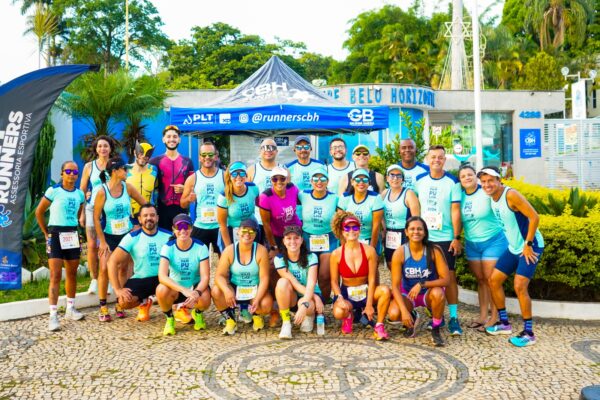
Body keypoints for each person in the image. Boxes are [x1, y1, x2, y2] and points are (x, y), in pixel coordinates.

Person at [479, 166, 545, 347]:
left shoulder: (511, 195)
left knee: (519, 286)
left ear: (499, 180)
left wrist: (528, 244)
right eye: (483, 181)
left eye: (490, 180)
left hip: (530, 246)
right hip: (514, 248)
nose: (487, 184)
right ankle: (504, 323)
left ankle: (529, 333)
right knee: (494, 280)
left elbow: (534, 217)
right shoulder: (492, 198)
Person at [414, 145, 463, 335]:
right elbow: (415, 208)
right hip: (424, 238)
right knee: (430, 277)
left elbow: (455, 211)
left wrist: (456, 237)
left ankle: (454, 318)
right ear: (427, 159)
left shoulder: (453, 182)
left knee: (449, 277)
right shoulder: (419, 180)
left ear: (445, 159)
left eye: (440, 157)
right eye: (433, 157)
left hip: (445, 238)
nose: (436, 160)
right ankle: (438, 316)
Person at [93, 157, 146, 322]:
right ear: (115, 171)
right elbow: (96, 218)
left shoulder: (128, 187)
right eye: (125, 169)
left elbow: (145, 205)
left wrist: (138, 224)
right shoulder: (102, 191)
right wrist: (102, 242)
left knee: (124, 269)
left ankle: (119, 303)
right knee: (104, 269)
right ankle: (103, 306)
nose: (128, 171)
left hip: (126, 236)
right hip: (109, 236)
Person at [36, 161, 86, 331]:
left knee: (72, 273)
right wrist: (46, 233)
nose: (72, 174)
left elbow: (78, 213)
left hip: (72, 234)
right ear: (62, 173)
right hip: (55, 234)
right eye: (68, 171)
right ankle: (53, 315)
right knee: (55, 275)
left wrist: (75, 228)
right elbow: (39, 212)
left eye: (75, 172)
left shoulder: (80, 194)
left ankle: (70, 308)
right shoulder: (54, 191)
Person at [458, 164, 508, 331]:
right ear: (460, 180)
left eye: (470, 174)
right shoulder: (460, 197)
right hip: (472, 244)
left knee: (491, 280)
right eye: (463, 176)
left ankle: (495, 317)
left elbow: (504, 202)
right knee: (480, 280)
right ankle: (482, 316)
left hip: (493, 241)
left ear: (476, 177)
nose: (467, 177)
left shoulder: (486, 192)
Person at [387, 216, 451, 347]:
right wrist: (404, 311)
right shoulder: (400, 253)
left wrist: (422, 284)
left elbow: (446, 280)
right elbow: (395, 285)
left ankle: (435, 328)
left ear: (425, 232)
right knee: (394, 314)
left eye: (419, 229)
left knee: (438, 293)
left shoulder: (434, 250)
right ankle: (412, 315)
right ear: (406, 232)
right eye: (412, 229)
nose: (416, 232)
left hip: (429, 293)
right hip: (408, 294)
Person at [330, 212, 391, 340]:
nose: (351, 231)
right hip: (347, 295)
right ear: (342, 231)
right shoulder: (336, 254)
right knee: (338, 312)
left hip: (366, 292)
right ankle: (349, 316)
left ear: (359, 229)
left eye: (355, 227)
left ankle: (379, 326)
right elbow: (334, 281)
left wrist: (369, 304)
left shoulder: (370, 251)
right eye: (347, 228)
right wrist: (339, 298)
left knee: (385, 290)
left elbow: (372, 279)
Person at [107, 204, 171, 322]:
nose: (149, 218)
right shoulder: (132, 237)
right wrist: (117, 289)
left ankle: (179, 308)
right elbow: (112, 262)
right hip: (142, 279)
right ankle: (144, 302)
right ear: (140, 219)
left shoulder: (169, 236)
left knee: (178, 285)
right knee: (123, 302)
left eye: (152, 215)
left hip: (164, 279)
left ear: (157, 218)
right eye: (145, 216)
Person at [212, 218, 273, 335]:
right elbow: (219, 276)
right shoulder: (229, 250)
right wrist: (226, 290)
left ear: (255, 234)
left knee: (266, 304)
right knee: (216, 291)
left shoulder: (261, 251)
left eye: (251, 231)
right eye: (244, 230)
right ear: (238, 232)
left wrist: (258, 298)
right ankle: (230, 319)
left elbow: (264, 278)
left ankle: (256, 315)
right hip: (235, 287)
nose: (247, 234)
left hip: (254, 287)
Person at [156, 214, 211, 336]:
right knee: (161, 290)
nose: (183, 230)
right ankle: (170, 318)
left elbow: (205, 277)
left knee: (205, 298)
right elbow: (162, 276)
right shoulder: (168, 247)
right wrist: (184, 290)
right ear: (173, 229)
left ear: (191, 228)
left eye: (186, 226)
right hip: (176, 287)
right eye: (179, 227)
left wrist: (197, 292)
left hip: (193, 285)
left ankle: (198, 313)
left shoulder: (201, 247)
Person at [79, 135, 116, 294]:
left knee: (109, 246)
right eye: (100, 146)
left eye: (106, 146)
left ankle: (109, 280)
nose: (103, 149)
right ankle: (94, 280)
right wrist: (81, 213)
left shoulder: (114, 165)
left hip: (109, 211)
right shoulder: (89, 166)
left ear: (110, 148)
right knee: (92, 246)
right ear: (96, 149)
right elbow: (82, 190)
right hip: (92, 209)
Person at [274, 225, 324, 339]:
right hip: (293, 296)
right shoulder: (279, 259)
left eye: (296, 238)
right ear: (284, 241)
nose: (293, 241)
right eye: (289, 238)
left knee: (306, 305)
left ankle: (309, 315)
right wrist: (316, 297)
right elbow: (294, 283)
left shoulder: (311, 257)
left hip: (308, 296)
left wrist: (305, 304)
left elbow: (311, 283)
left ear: (301, 240)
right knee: (282, 282)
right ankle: (286, 322)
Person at [298, 166, 339, 300]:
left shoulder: (334, 198)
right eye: (315, 178)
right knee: (307, 273)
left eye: (323, 179)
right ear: (311, 181)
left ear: (328, 181)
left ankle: (324, 301)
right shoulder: (303, 195)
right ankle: (308, 300)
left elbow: (341, 217)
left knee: (324, 275)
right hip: (307, 237)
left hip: (328, 238)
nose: (319, 182)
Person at [181, 141, 225, 256]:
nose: (207, 157)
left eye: (210, 154)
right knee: (197, 260)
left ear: (216, 156)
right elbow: (182, 204)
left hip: (220, 226)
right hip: (200, 226)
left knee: (225, 260)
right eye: (204, 155)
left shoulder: (225, 176)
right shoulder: (193, 178)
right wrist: (189, 199)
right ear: (200, 158)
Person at [150, 125, 195, 231]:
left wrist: (185, 188)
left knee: (181, 236)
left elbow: (194, 187)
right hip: (162, 209)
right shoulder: (155, 162)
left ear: (179, 139)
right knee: (164, 238)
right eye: (168, 136)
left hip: (182, 209)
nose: (172, 139)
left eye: (175, 137)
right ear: (163, 139)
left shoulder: (188, 162)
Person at [258, 166, 301, 257]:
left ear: (287, 179)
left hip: (295, 230)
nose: (279, 182)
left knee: (297, 258)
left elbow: (302, 200)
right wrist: (274, 246)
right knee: (277, 260)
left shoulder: (292, 188)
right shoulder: (266, 197)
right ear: (271, 180)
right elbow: (266, 224)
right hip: (277, 234)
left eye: (282, 179)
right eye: (275, 179)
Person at [337, 168, 384, 252]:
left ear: (369, 183)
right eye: (357, 180)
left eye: (365, 180)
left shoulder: (376, 198)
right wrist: (344, 247)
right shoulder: (345, 197)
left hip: (368, 239)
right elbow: (340, 224)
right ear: (352, 182)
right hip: (349, 239)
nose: (361, 182)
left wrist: (372, 249)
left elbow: (376, 226)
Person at [382, 165, 420, 267]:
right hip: (389, 235)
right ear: (387, 178)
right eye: (392, 175)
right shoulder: (384, 193)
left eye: (399, 176)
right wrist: (384, 228)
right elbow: (379, 213)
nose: (395, 178)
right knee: (391, 264)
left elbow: (417, 219)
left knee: (405, 265)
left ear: (402, 179)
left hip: (405, 234)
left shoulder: (409, 194)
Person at [217, 161, 260, 248]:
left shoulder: (253, 188)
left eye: (242, 173)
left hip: (251, 230)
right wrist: (228, 247)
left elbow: (260, 206)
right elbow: (222, 224)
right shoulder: (224, 196)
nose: (238, 177)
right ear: (230, 177)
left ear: (246, 175)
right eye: (234, 174)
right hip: (232, 231)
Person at [247, 138, 280, 240]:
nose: (268, 150)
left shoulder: (283, 169)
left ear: (277, 151)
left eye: (272, 147)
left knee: (277, 249)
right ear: (260, 150)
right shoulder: (252, 170)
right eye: (265, 147)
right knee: (258, 249)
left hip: (278, 221)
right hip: (258, 221)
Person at [126, 141, 158, 223]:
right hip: (130, 217)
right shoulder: (125, 170)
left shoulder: (154, 170)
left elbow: (156, 191)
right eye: (141, 153)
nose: (143, 156)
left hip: (148, 217)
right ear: (134, 152)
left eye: (147, 155)